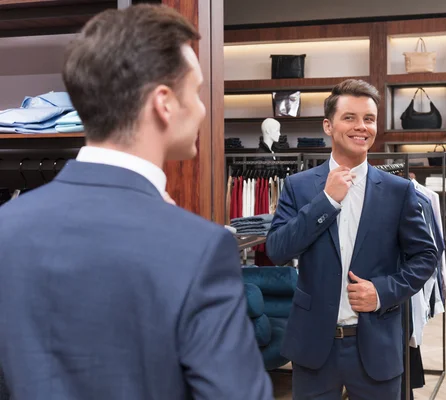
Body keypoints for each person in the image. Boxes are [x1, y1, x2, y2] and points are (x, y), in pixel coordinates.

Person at [0, 5, 273, 400]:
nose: (201, 108)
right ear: (163, 102)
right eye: (196, 92)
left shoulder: (7, 225)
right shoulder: (198, 247)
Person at [266, 79, 439, 399]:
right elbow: (277, 250)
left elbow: (427, 256)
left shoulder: (398, 191)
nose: (361, 127)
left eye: (369, 119)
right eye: (350, 118)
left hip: (377, 345)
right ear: (328, 126)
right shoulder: (299, 186)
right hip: (314, 346)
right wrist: (326, 202)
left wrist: (383, 291)